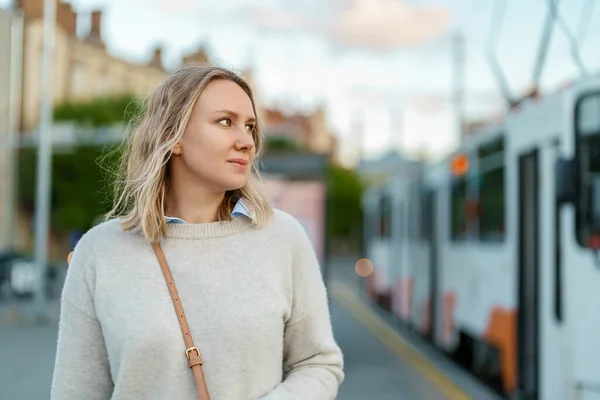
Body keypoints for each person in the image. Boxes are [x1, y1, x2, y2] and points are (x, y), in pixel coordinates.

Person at [50, 65, 344, 399]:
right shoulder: (100, 252)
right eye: (225, 121)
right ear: (172, 136)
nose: (246, 141)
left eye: (250, 127)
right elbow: (76, 391)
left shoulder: (283, 238)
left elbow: (319, 363)